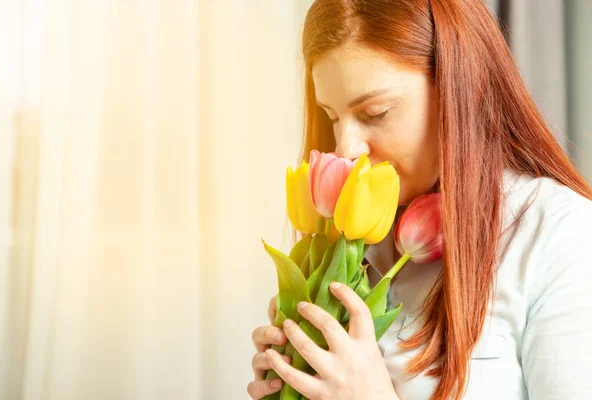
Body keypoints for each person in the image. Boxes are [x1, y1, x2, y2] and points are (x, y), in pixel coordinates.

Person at [248, 0, 592, 399]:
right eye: (332, 116)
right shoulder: (352, 246)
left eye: (375, 112)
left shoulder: (559, 235)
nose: (345, 148)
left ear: (460, 87)